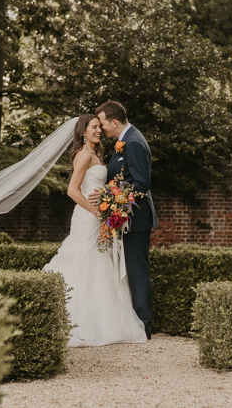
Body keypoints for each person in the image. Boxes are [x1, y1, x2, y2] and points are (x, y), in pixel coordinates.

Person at [43, 114, 147, 347]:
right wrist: (96, 212)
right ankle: (78, 321)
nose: (98, 131)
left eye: (99, 127)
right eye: (93, 127)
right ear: (83, 132)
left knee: (101, 262)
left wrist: (110, 201)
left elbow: (102, 186)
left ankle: (104, 321)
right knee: (84, 260)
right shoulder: (83, 155)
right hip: (88, 217)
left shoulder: (97, 155)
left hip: (100, 215)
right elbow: (72, 190)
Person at [92, 101, 157, 340]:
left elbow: (142, 183)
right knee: (131, 269)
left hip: (136, 217)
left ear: (115, 122)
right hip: (128, 215)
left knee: (137, 270)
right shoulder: (126, 141)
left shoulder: (135, 142)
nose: (102, 129)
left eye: (103, 124)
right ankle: (137, 322)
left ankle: (144, 326)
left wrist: (111, 194)